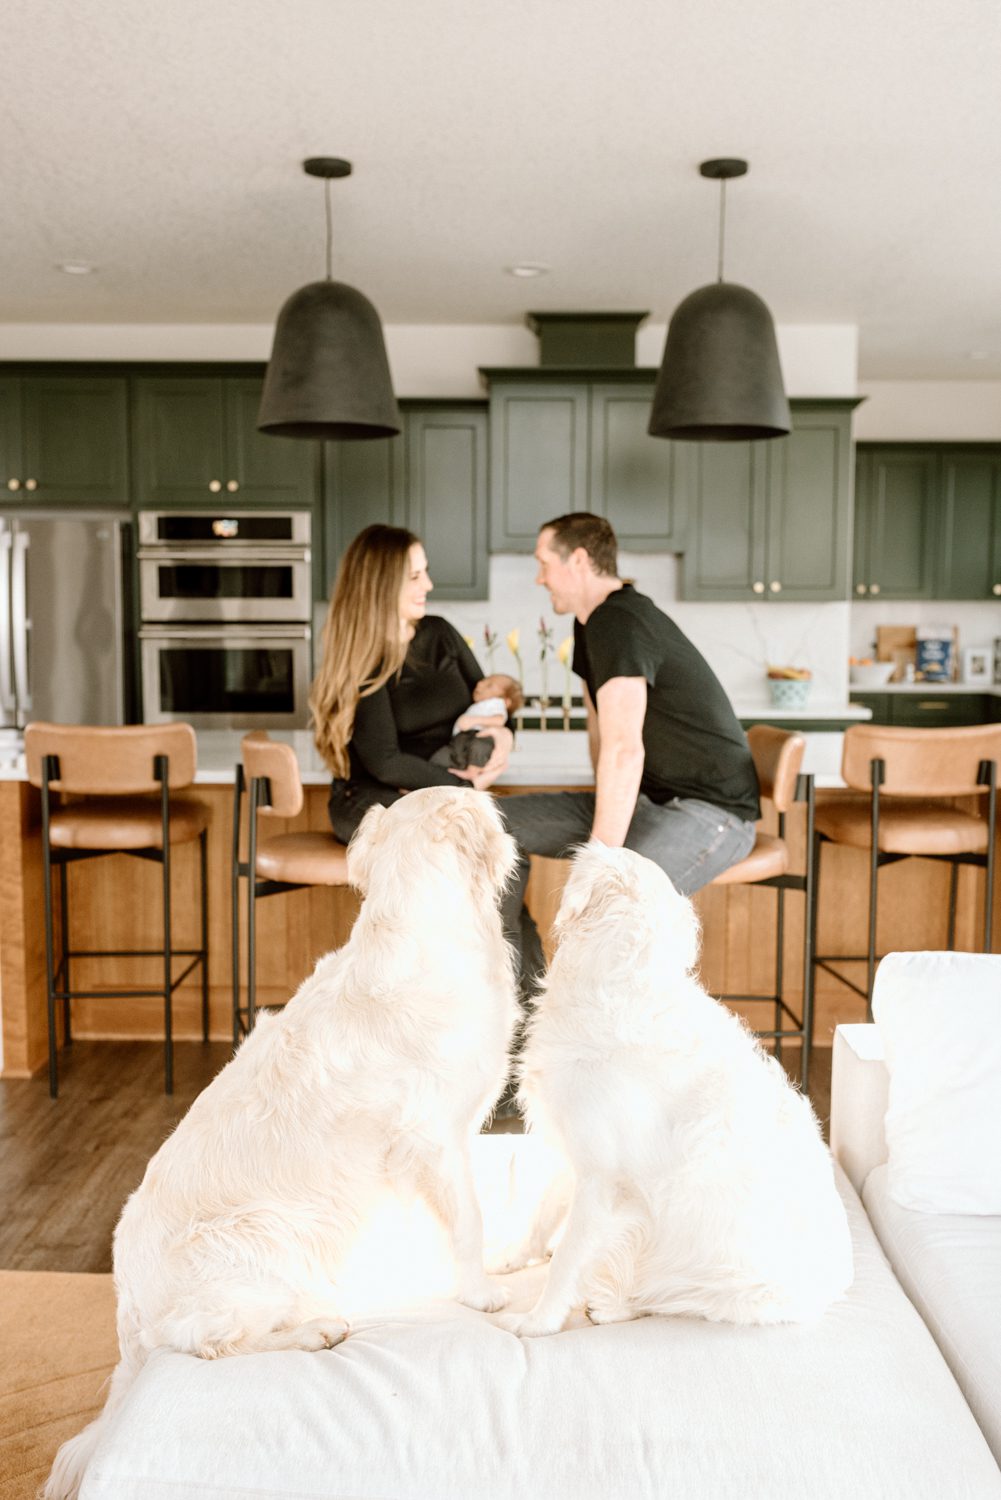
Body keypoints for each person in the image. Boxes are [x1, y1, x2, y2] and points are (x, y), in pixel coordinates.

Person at [499, 511, 760, 987]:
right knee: (493, 829)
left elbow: (624, 751)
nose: (539, 578)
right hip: (649, 802)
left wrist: (599, 863)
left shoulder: (618, 620)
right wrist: (605, 829)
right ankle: (525, 995)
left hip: (710, 813)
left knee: (609, 916)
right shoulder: (590, 624)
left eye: (544, 563)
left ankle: (604, 1031)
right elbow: (602, 734)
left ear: (579, 560)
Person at [311, 524, 513, 845]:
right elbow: (386, 763)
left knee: (504, 852)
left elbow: (492, 702)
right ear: (381, 585)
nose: (428, 585)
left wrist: (505, 735)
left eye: (425, 572)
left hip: (440, 792)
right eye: (415, 577)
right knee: (441, 848)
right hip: (373, 800)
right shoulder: (364, 658)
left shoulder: (440, 633)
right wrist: (463, 789)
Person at [430, 672, 524, 771]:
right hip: (460, 740)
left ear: (505, 701)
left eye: (489, 685)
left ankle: (473, 772)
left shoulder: (496, 704)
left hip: (477, 735)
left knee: (479, 747)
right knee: (441, 757)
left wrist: (474, 721)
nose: (479, 684)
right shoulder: (479, 705)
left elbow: (499, 720)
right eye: (483, 681)